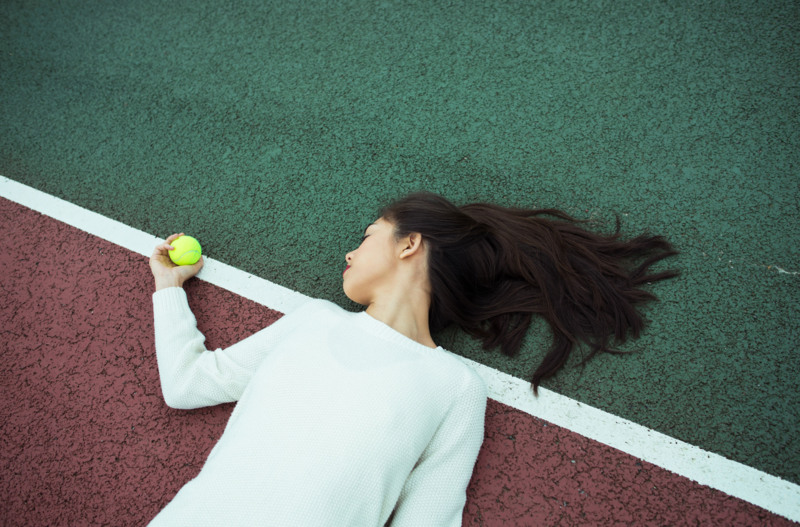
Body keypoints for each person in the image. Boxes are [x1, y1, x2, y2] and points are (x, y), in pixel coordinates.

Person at [146, 192, 677, 526]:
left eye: (367, 235)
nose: (350, 254)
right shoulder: (314, 320)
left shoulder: (454, 387)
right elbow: (189, 384)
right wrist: (168, 288)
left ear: (409, 244)